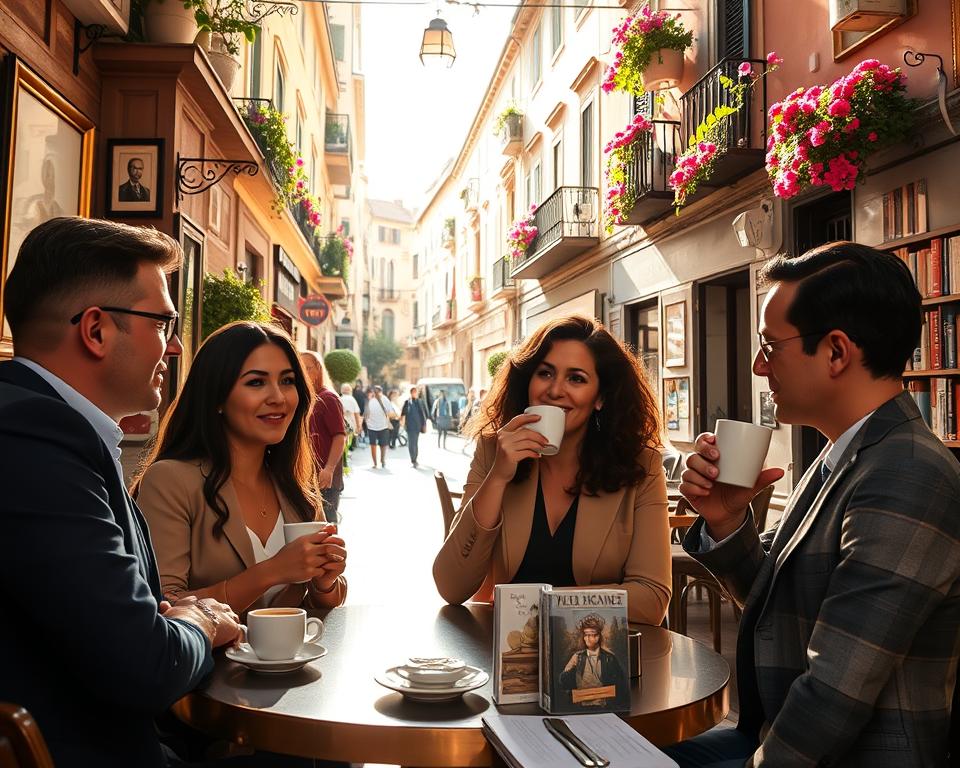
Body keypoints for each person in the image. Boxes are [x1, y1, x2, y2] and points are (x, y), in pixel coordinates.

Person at [666, 242, 960, 767]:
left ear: (836, 352)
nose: (759, 366)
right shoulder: (843, 451)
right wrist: (728, 519)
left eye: (770, 346)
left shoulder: (908, 473)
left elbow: (834, 695)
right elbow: (778, 604)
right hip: (773, 733)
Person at [0, 216, 241, 767]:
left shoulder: (47, 425)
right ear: (96, 330)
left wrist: (169, 622)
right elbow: (144, 663)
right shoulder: (35, 438)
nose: (176, 346)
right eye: (162, 322)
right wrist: (200, 621)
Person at [432, 315, 671, 626]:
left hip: (598, 658)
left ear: (600, 397)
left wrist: (537, 606)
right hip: (511, 659)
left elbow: (651, 599)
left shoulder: (641, 465)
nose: (555, 390)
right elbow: (451, 587)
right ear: (528, 382)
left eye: (576, 378)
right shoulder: (493, 452)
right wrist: (497, 478)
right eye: (545, 373)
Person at [133, 322, 347, 616]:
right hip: (208, 662)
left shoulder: (294, 483)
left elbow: (319, 602)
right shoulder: (170, 480)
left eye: (287, 381)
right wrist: (271, 572)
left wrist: (325, 581)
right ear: (217, 397)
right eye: (256, 382)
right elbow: (163, 606)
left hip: (292, 662)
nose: (278, 397)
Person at [301, 352, 347, 524]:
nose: (304, 373)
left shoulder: (328, 398)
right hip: (307, 478)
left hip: (325, 481)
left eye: (308, 368)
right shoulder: (306, 399)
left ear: (319, 369)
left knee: (326, 530)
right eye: (301, 368)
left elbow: (340, 436)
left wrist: (328, 469)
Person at [558, 613, 628, 709]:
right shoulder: (577, 657)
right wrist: (571, 671)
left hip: (604, 705)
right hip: (581, 705)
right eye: (585, 635)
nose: (587, 638)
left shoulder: (610, 658)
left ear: (598, 636)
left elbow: (620, 684)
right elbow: (563, 681)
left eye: (591, 635)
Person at [364, 384, 396, 468]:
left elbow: (390, 411)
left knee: (382, 445)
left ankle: (382, 460)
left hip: (383, 426)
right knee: (375, 445)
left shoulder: (384, 399)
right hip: (372, 427)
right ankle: (376, 462)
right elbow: (365, 413)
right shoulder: (369, 400)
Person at [401, 385, 429, 467]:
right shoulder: (407, 402)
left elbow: (424, 414)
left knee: (415, 443)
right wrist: (402, 423)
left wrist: (424, 425)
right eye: (413, 392)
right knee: (411, 443)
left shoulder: (420, 402)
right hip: (409, 426)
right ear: (410, 393)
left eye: (415, 392)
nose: (414, 393)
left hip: (418, 426)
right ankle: (413, 459)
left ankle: (415, 458)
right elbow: (403, 413)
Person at [340, 382, 362, 450]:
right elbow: (356, 413)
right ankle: (346, 454)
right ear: (350, 390)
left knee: (343, 440)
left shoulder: (340, 399)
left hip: (341, 423)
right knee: (348, 440)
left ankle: (344, 455)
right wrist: (358, 426)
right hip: (350, 423)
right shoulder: (352, 400)